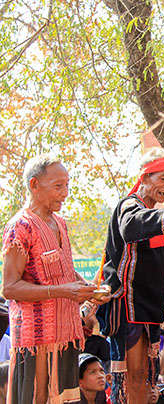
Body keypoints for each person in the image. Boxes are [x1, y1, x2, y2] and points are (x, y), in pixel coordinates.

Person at [1, 155, 109, 404]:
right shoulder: (20, 227)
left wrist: (91, 290)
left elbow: (66, 271)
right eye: (58, 186)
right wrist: (63, 291)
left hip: (67, 334)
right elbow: (9, 288)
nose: (65, 193)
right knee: (38, 398)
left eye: (67, 185)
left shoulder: (60, 223)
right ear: (34, 185)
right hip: (36, 339)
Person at [96, 147, 164, 404]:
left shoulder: (156, 214)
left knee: (145, 377)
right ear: (144, 177)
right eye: (162, 178)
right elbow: (131, 226)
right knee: (132, 375)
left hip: (148, 308)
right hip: (128, 307)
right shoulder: (130, 206)